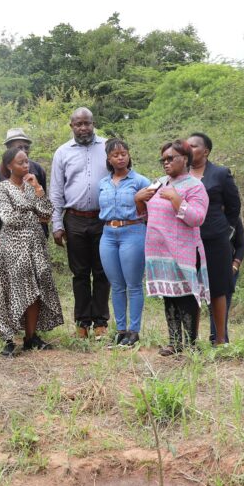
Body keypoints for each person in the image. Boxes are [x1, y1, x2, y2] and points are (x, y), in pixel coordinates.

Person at [136, 140, 209, 356]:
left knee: (186, 296)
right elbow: (146, 216)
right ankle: (175, 342)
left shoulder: (195, 186)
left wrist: (177, 200)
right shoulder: (158, 183)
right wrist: (138, 200)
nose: (166, 163)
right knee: (169, 295)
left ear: (184, 159)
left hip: (184, 252)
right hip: (160, 252)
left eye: (170, 158)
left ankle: (192, 345)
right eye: (163, 160)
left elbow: (197, 218)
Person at [0, 147, 63, 356]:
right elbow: (9, 218)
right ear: (9, 166)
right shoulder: (1, 188)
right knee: (11, 291)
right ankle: (8, 339)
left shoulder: (32, 186)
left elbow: (47, 212)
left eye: (27, 161)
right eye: (20, 162)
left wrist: (38, 190)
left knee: (36, 291)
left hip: (35, 245)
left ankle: (31, 338)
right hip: (12, 247)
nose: (26, 165)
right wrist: (34, 213)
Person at [0, 127, 48, 339]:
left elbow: (45, 211)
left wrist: (38, 193)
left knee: (34, 286)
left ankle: (30, 333)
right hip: (6, 239)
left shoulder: (37, 171)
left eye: (26, 147)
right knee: (0, 285)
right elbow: (0, 212)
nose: (23, 151)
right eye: (18, 147)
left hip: (35, 240)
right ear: (8, 151)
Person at [50, 107, 110, 339]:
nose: (83, 128)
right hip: (74, 219)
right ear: (72, 126)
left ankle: (101, 323)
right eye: (79, 124)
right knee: (80, 273)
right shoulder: (62, 152)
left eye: (87, 123)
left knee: (102, 272)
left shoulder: (107, 147)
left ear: (93, 123)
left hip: (103, 218)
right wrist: (57, 224)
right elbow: (56, 191)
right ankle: (82, 323)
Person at [188, 132, 242, 345]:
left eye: (194, 146)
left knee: (218, 288)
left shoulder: (220, 173)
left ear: (206, 151)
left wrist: (224, 230)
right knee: (191, 290)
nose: (189, 148)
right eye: (187, 145)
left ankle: (220, 340)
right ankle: (191, 339)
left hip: (215, 240)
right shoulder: (180, 174)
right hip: (187, 240)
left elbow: (234, 206)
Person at [97, 138, 151, 347]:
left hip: (133, 231)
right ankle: (120, 330)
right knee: (117, 285)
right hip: (108, 234)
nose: (120, 158)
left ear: (129, 156)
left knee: (133, 284)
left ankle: (134, 331)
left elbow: (151, 210)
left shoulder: (140, 181)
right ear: (109, 159)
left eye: (123, 154)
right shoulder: (103, 183)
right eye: (115, 155)